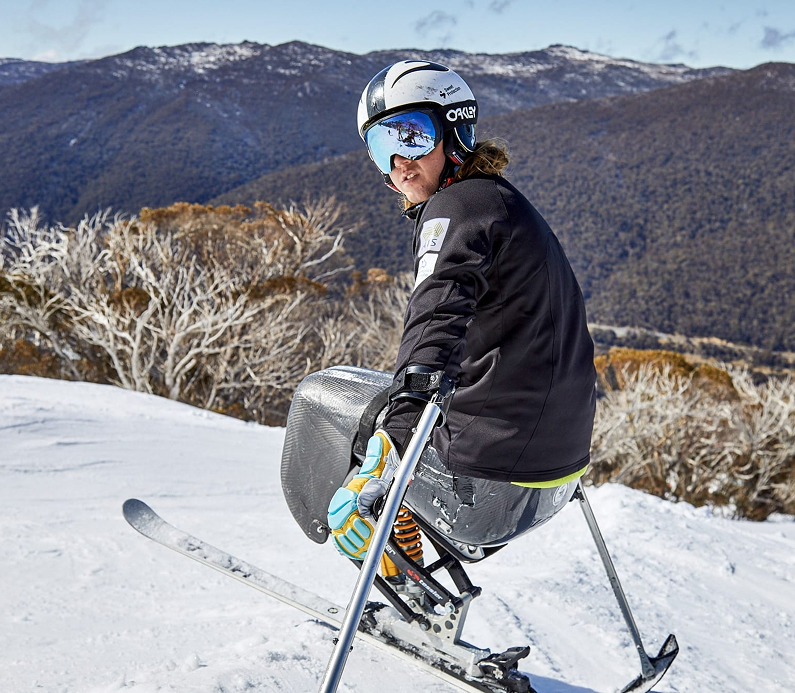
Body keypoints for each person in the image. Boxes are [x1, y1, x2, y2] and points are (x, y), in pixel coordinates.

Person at [326, 60, 597, 562]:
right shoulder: (499, 202)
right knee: (373, 396)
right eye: (381, 148)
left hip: (491, 486)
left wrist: (397, 433)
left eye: (412, 137)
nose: (399, 164)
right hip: (557, 475)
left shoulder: (457, 209)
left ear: (455, 130)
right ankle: (405, 557)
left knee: (322, 399)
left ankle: (395, 573)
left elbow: (438, 313)